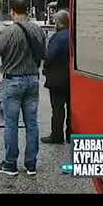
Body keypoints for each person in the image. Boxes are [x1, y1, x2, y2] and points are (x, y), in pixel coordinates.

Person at [0, 0, 46, 176]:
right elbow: (44, 53)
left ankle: (10, 164)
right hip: (33, 81)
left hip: (13, 82)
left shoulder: (8, 32)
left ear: (12, 11)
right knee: (32, 123)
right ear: (27, 11)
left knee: (11, 124)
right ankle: (31, 164)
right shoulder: (38, 30)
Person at [41, 10, 71, 144]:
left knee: (58, 108)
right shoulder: (73, 35)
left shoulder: (57, 37)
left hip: (57, 79)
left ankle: (57, 135)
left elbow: (49, 57)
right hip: (72, 78)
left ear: (58, 22)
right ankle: (71, 134)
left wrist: (45, 68)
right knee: (71, 108)